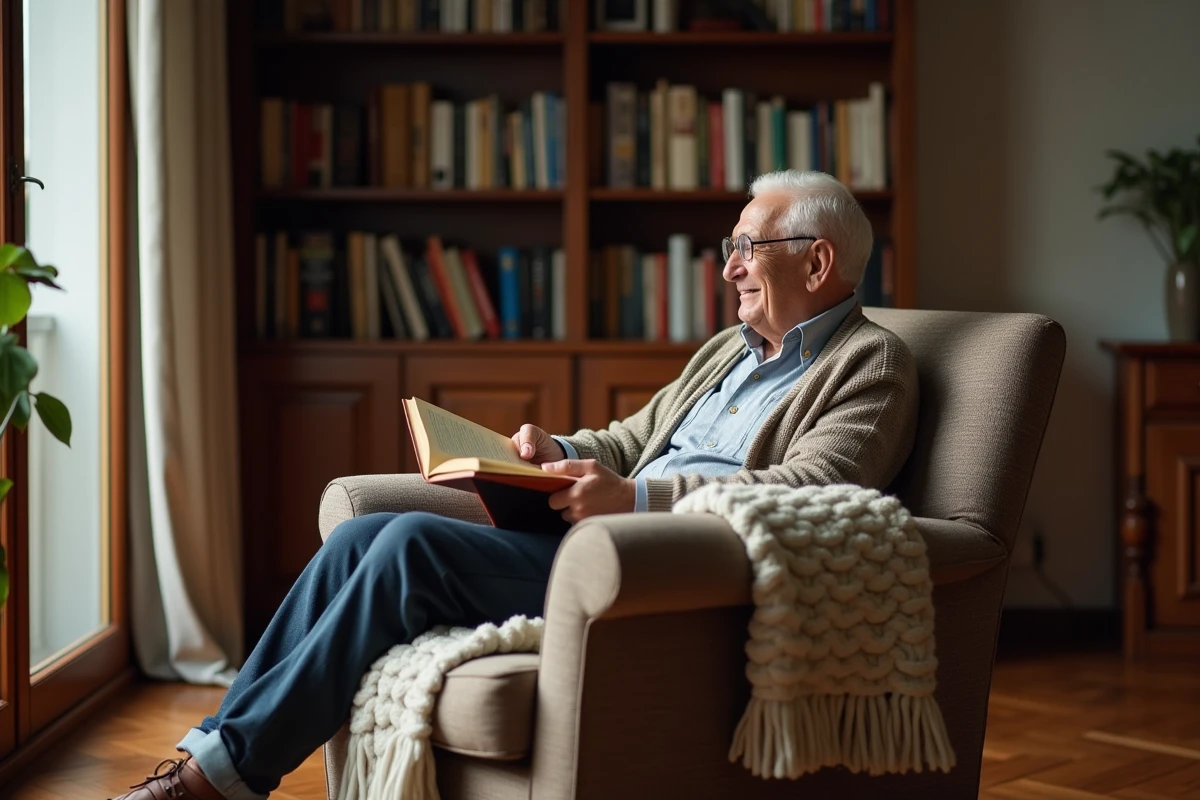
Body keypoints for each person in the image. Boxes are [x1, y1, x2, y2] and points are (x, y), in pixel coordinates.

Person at [110, 170, 918, 800]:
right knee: (362, 533)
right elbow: (633, 438)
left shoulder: (872, 365)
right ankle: (206, 755)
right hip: (596, 534)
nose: (730, 267)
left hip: (663, 562)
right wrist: (554, 449)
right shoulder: (728, 351)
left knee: (407, 547)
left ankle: (214, 783)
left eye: (749, 247)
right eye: (729, 246)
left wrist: (636, 501)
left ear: (817, 261)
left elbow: (818, 493)